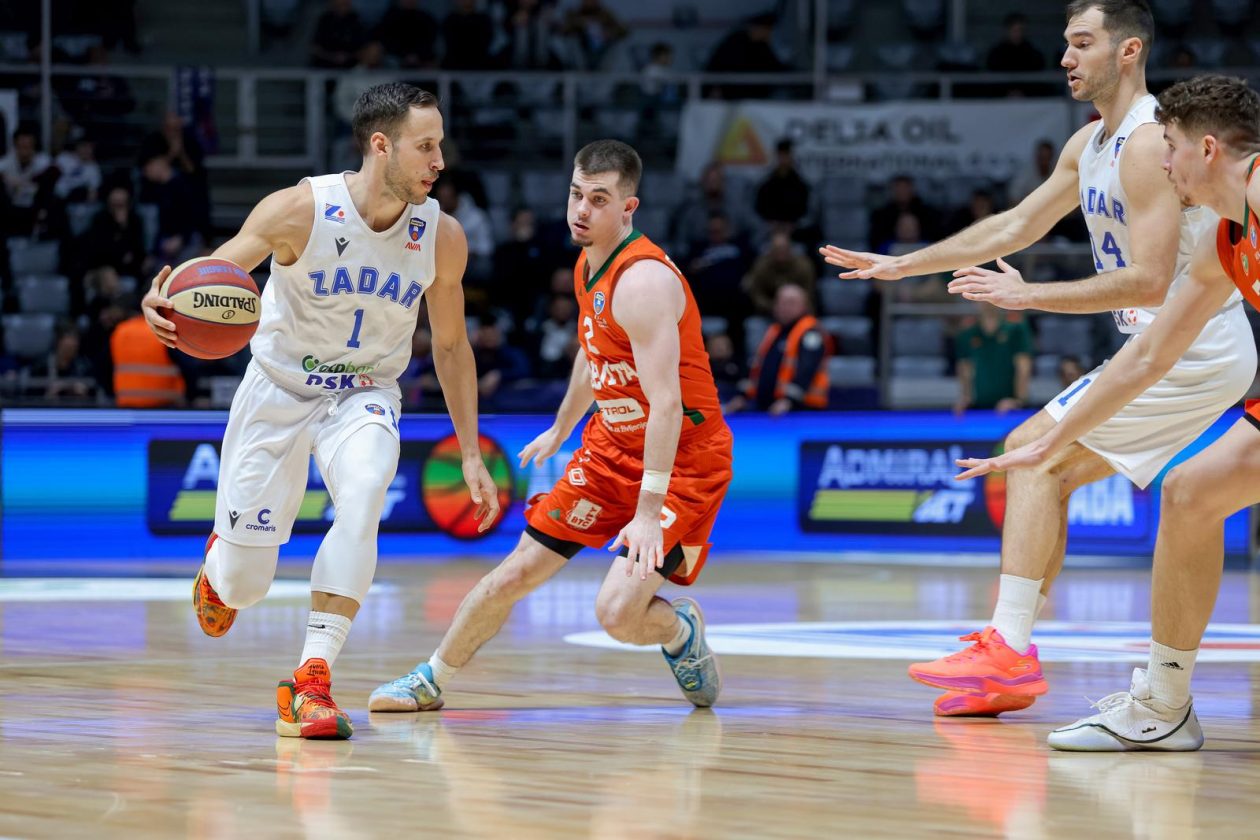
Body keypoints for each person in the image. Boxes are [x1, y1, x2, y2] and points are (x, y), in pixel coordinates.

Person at [820, 1, 1254, 719]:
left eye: (1082, 43)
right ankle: (1009, 656)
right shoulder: (1090, 143)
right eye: (1066, 43)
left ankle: (1009, 652)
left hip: (1192, 345)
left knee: (1035, 455)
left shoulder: (1151, 143)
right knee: (1044, 467)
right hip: (1164, 343)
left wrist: (1030, 297)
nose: (1065, 58)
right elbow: (1018, 224)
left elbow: (1150, 281)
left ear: (1128, 51)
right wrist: (906, 264)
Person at [140, 82, 500, 740]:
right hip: (279, 389)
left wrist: (471, 451)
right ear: (381, 145)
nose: (439, 161)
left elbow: (450, 346)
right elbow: (211, 277)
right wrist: (164, 303)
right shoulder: (300, 210)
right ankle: (222, 564)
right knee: (245, 587)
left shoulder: (441, 236)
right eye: (426, 146)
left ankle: (311, 680)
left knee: (364, 495)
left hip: (365, 392)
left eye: (440, 145)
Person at [369, 139, 733, 713]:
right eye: (575, 195)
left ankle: (679, 630)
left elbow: (666, 406)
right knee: (515, 572)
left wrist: (646, 513)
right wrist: (563, 427)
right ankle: (429, 679)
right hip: (611, 449)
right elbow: (594, 351)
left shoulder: (644, 282)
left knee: (617, 613)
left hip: (682, 462)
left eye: (598, 199)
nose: (581, 211)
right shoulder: (588, 264)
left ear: (629, 208)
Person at [953, 75, 1260, 751]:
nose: (1161, 162)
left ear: (1208, 150)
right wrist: (1050, 441)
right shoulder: (1224, 241)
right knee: (1189, 494)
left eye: (1170, 147)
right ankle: (1164, 707)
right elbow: (1148, 354)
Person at [724, 282, 831, 415]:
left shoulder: (811, 333)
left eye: (791, 302)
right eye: (782, 302)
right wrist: (743, 396)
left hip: (802, 411)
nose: (785, 307)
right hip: (769, 409)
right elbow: (758, 367)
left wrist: (789, 400)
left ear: (804, 306)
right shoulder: (774, 331)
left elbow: (807, 369)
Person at [953, 304, 1032, 416]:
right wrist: (966, 398)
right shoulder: (968, 330)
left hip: (1009, 407)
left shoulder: (1015, 327)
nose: (987, 301)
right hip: (979, 405)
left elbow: (1023, 366)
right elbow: (964, 367)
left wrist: (1019, 400)